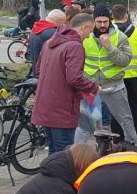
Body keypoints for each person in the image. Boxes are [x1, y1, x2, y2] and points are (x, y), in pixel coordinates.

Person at [32, 13, 100, 154]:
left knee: (53, 152)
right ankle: (62, 177)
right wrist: (93, 87)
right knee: (65, 154)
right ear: (85, 27)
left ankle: (51, 175)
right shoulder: (75, 46)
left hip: (44, 106)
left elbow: (38, 71)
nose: (89, 36)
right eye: (90, 31)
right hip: (62, 110)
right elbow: (74, 78)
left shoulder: (49, 42)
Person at [77, 4, 137, 146]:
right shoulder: (85, 37)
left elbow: (124, 61)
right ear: (93, 22)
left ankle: (133, 148)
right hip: (91, 88)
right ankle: (76, 155)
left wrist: (109, 47)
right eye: (99, 22)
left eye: (105, 21)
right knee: (86, 125)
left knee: (126, 120)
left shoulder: (120, 37)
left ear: (110, 20)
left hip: (114, 87)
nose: (103, 25)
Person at [111, 4, 137, 137]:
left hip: (114, 76)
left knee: (117, 108)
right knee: (135, 107)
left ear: (112, 16)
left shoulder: (108, 33)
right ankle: (135, 135)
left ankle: (117, 136)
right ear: (126, 15)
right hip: (133, 76)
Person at [28, 10, 66, 75]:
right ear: (57, 20)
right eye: (63, 22)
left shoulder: (36, 28)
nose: (63, 25)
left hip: (35, 67)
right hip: (47, 71)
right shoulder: (53, 33)